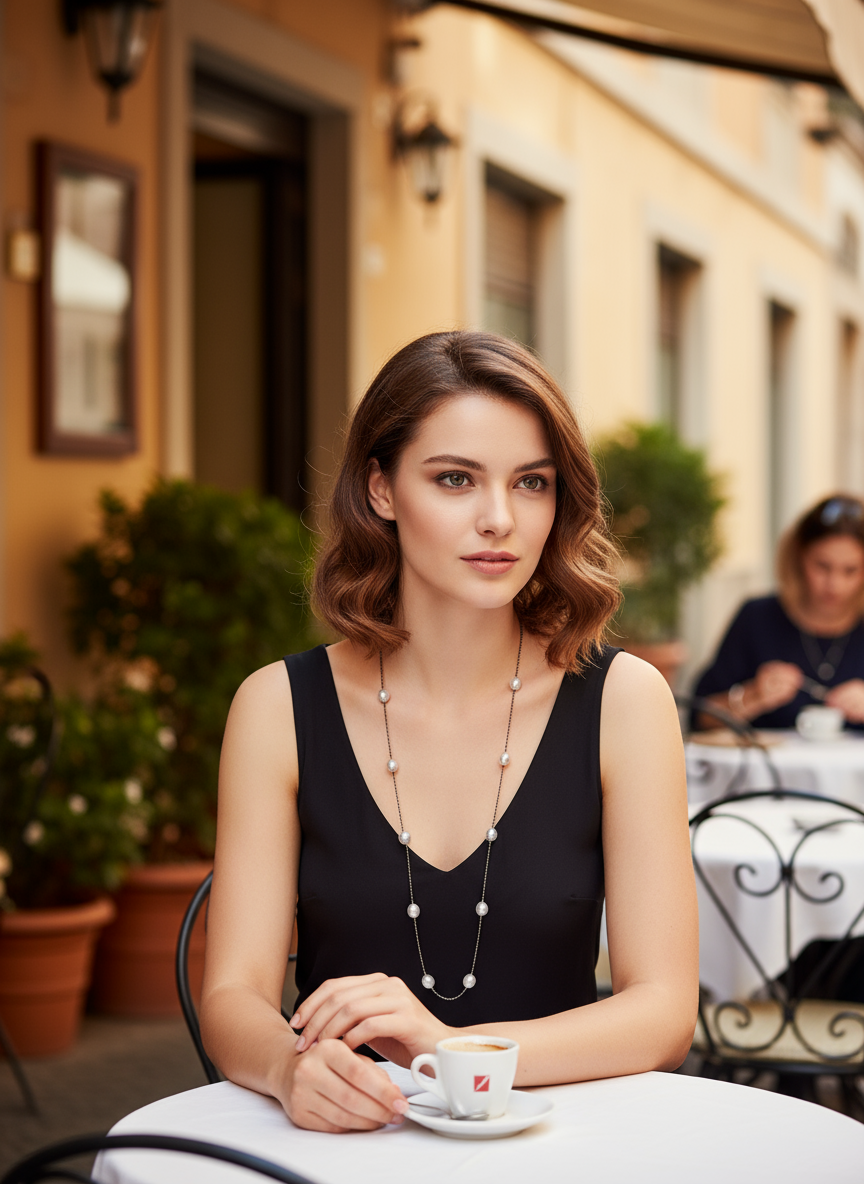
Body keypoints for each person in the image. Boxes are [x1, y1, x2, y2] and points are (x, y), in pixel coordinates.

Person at [199, 331, 698, 1133]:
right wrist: (288, 1069)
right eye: (455, 479)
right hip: (347, 1147)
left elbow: (665, 1011)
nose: (499, 518)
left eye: (531, 483)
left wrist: (450, 1048)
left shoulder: (625, 702)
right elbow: (232, 995)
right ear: (382, 489)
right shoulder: (276, 707)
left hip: (558, 1144)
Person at [692, 495, 864, 731]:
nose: (834, 585)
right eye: (822, 566)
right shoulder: (757, 618)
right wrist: (752, 697)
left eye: (850, 571)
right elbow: (699, 717)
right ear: (798, 558)